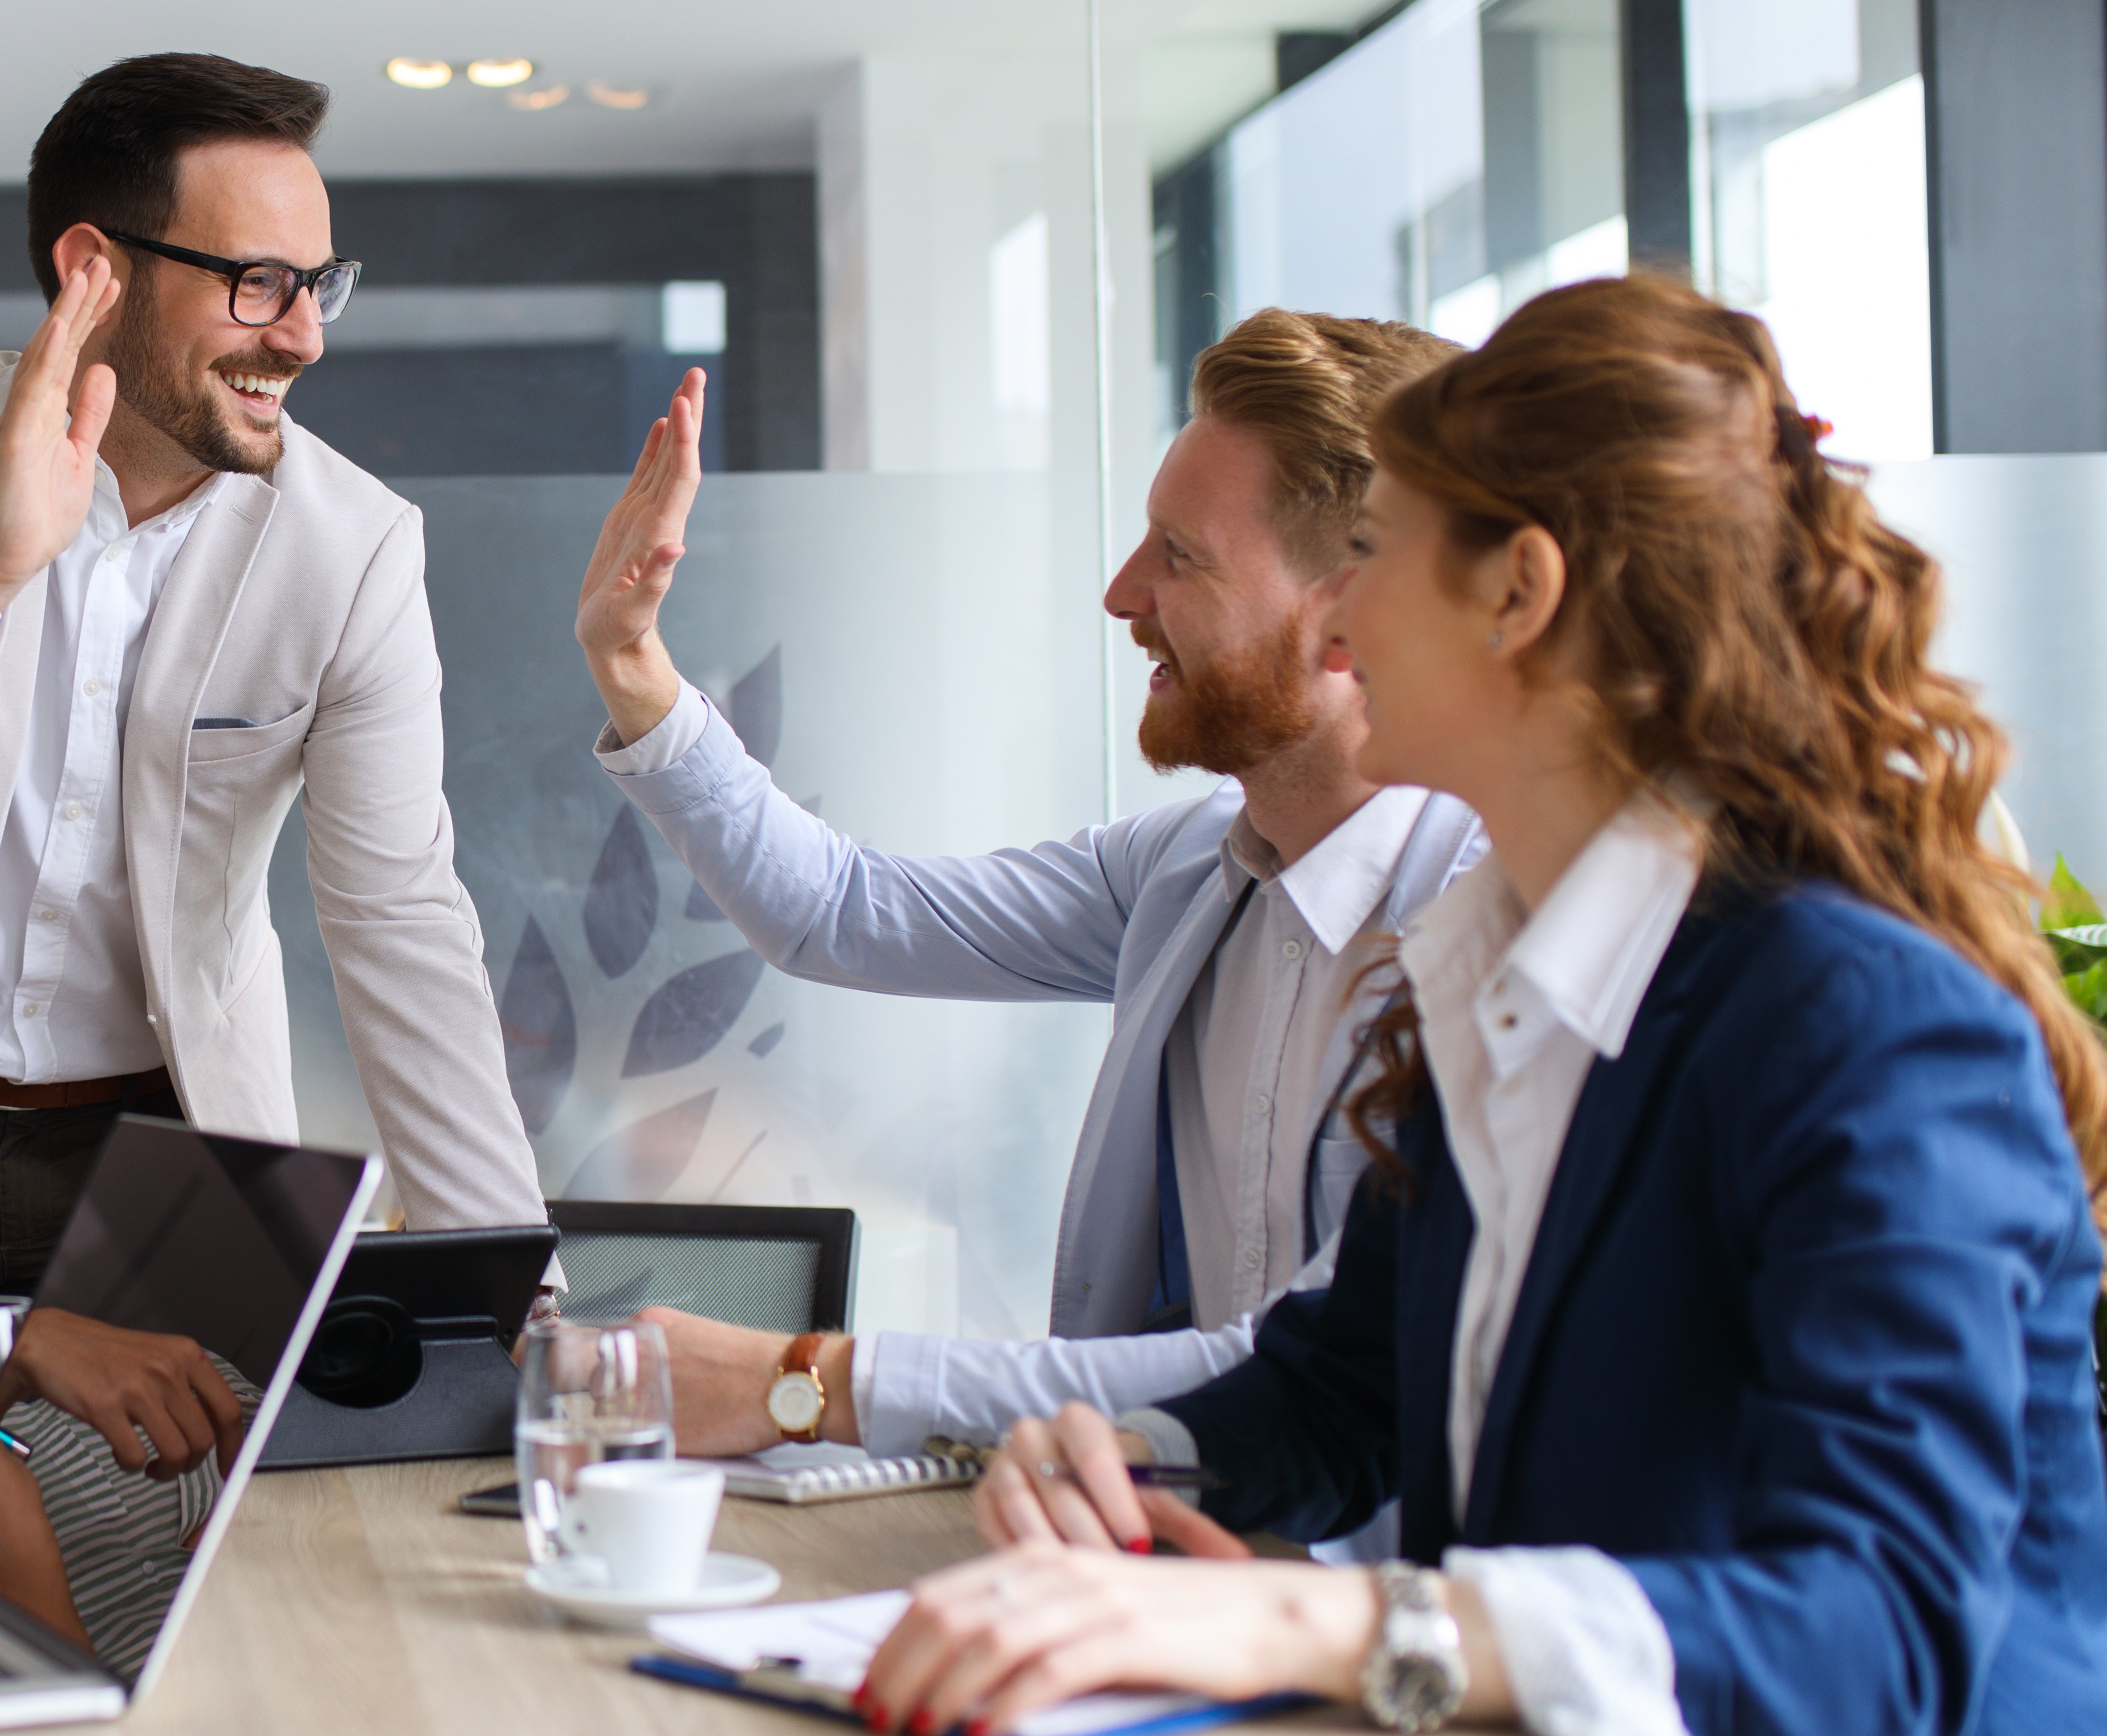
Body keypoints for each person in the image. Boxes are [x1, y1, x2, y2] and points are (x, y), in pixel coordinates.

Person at [861, 275, 2107, 1735]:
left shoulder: (1860, 1020)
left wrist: (1322, 1613)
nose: (1339, 614)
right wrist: (1126, 1457)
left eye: (1374, 552)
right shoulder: (1498, 968)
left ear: (1521, 593)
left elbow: (1883, 1622)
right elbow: (1351, 1387)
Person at [0, 52, 545, 1392]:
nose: (303, 334)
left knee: (155, 1566)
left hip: (172, 1142)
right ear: (97, 267)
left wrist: (515, 1292)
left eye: (319, 286)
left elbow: (400, 918)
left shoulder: (356, 547)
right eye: (257, 282)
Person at [580, 313, 1476, 1471]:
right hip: (1134, 1553)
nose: (1121, 592)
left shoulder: (1491, 927)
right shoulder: (1181, 873)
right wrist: (631, 665)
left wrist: (799, 1382)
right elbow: (837, 911)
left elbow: (1315, 1372)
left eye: (1179, 553)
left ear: (1351, 612)